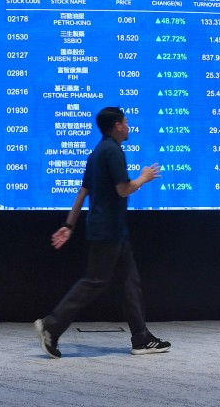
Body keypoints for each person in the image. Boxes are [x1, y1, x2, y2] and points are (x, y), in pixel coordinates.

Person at [34, 106, 171, 359]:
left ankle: (140, 338)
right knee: (94, 282)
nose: (129, 127)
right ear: (117, 126)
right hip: (108, 230)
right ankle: (51, 327)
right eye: (126, 122)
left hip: (112, 230)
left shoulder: (97, 152)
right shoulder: (113, 151)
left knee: (131, 283)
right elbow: (123, 189)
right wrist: (144, 177)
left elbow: (82, 192)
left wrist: (68, 225)